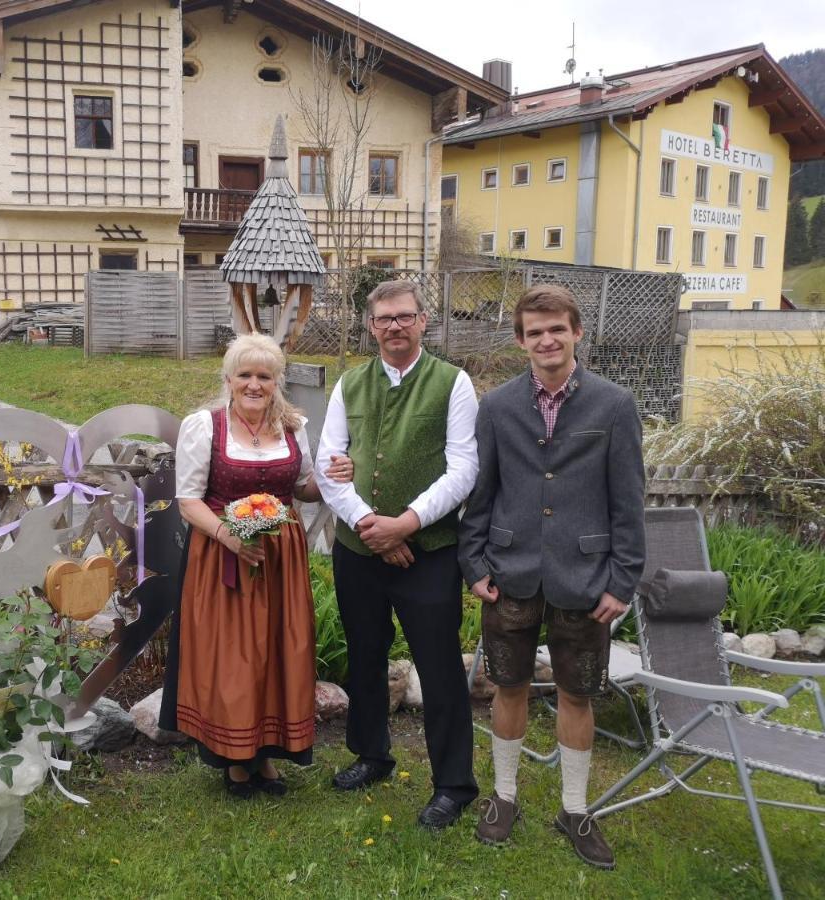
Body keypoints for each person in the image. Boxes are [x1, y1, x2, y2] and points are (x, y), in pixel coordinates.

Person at [459, 284, 645, 869]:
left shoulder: (614, 405)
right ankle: (505, 797)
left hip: (585, 578)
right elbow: (481, 493)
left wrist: (623, 579)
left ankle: (574, 807)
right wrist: (475, 565)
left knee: (576, 693)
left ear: (576, 332)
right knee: (508, 687)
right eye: (535, 331)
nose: (546, 339)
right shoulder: (496, 407)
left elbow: (628, 500)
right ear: (520, 340)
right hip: (509, 573)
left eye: (556, 329)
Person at [315, 279, 480, 829]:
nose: (394, 326)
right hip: (357, 549)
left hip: (429, 551)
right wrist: (368, 525)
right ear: (370, 325)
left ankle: (453, 784)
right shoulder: (349, 384)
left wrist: (405, 524)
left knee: (438, 667)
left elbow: (464, 469)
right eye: (384, 318)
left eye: (404, 316)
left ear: (423, 321)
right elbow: (329, 463)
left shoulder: (453, 384)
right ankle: (371, 754)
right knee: (365, 655)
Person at [159, 333, 352, 797]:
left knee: (278, 651)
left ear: (276, 381)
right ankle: (234, 760)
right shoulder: (205, 426)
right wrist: (232, 538)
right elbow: (188, 500)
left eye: (264, 376)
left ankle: (267, 753)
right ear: (228, 379)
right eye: (244, 374)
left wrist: (332, 479)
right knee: (233, 658)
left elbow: (302, 489)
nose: (253, 384)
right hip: (222, 555)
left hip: (280, 556)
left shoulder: (292, 425)